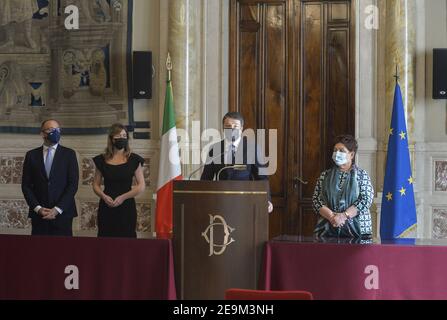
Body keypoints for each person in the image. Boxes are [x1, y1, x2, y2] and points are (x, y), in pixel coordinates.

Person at [201, 112, 273, 213]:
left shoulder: (251, 148)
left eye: (235, 126)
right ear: (223, 128)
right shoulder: (215, 149)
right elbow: (206, 179)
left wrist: (267, 199)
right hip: (220, 203)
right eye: (228, 126)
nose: (232, 129)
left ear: (241, 128)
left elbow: (261, 178)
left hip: (245, 202)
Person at [21, 119, 79, 236]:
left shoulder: (69, 154)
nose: (55, 132)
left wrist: (57, 209)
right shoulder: (31, 155)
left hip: (63, 214)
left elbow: (72, 185)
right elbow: (26, 186)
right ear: (42, 133)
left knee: (63, 251)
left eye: (57, 130)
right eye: (51, 130)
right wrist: (38, 208)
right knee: (39, 251)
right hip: (39, 215)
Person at [312, 135, 374, 238]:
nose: (337, 153)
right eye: (335, 150)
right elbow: (316, 200)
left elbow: (366, 199)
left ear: (352, 154)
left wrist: (344, 216)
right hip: (327, 230)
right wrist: (332, 217)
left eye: (341, 150)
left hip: (358, 232)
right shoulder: (325, 175)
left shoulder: (361, 175)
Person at [92, 123, 146, 238]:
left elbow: (141, 185)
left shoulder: (134, 159)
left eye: (124, 136)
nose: (122, 138)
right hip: (107, 205)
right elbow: (95, 185)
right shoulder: (101, 160)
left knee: (127, 242)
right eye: (118, 136)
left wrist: (123, 197)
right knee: (105, 241)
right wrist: (104, 196)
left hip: (127, 206)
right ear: (111, 139)